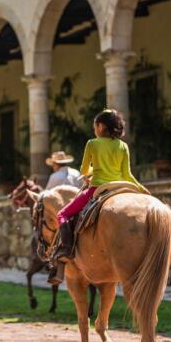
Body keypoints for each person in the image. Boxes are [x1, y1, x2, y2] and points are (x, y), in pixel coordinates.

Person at [56, 109, 146, 259]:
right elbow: (127, 175)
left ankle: (66, 250)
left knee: (62, 214)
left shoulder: (92, 144)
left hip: (97, 188)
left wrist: (92, 171)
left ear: (101, 126)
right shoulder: (123, 146)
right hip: (121, 187)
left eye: (95, 126)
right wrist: (141, 189)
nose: (94, 130)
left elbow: (84, 170)